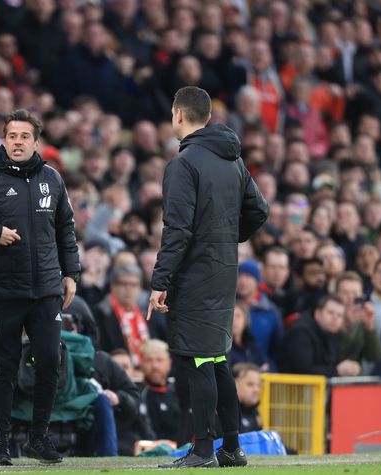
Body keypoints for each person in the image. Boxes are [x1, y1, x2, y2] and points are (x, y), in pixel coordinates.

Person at [148, 86, 268, 468]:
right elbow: (259, 210)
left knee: (199, 361)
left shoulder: (184, 164)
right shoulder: (232, 160)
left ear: (178, 115)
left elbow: (177, 230)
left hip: (195, 276)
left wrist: (160, 281)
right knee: (216, 361)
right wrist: (225, 236)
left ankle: (202, 449)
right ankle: (231, 448)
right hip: (223, 271)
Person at [0, 108, 81, 465]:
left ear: (36, 142)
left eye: (25, 136)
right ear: (3, 140)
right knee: (5, 369)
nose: (18, 142)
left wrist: (71, 273)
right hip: (3, 292)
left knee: (50, 362)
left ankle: (39, 438)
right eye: (12, 136)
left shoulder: (53, 179)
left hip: (45, 291)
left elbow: (66, 230)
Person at [278, 295, 361, 377]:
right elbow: (303, 371)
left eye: (339, 315)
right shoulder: (300, 332)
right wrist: (336, 371)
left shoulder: (329, 333)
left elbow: (333, 362)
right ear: (317, 314)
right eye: (330, 313)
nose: (335, 318)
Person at [232, 363, 263, 433]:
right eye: (250, 384)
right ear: (234, 384)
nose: (256, 390)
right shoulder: (223, 413)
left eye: (258, 385)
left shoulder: (254, 413)